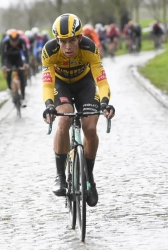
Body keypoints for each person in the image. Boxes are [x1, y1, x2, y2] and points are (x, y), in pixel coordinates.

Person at [42, 13, 115, 207]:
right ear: (57, 40)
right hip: (61, 86)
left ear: (79, 38)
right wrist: (49, 105)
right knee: (64, 119)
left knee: (90, 128)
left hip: (85, 84)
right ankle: (60, 176)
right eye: (62, 41)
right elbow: (48, 83)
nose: (67, 47)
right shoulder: (49, 51)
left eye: (72, 41)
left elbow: (101, 79)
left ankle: (89, 176)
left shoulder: (89, 48)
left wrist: (105, 101)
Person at [0, 29, 29, 105]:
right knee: (8, 72)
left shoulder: (22, 42)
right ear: (9, 40)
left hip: (18, 59)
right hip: (8, 59)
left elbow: (26, 53)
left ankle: (23, 96)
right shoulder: (5, 43)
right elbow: (3, 56)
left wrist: (26, 63)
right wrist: (4, 66)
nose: (14, 44)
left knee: (21, 75)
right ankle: (9, 88)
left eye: (16, 42)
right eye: (12, 42)